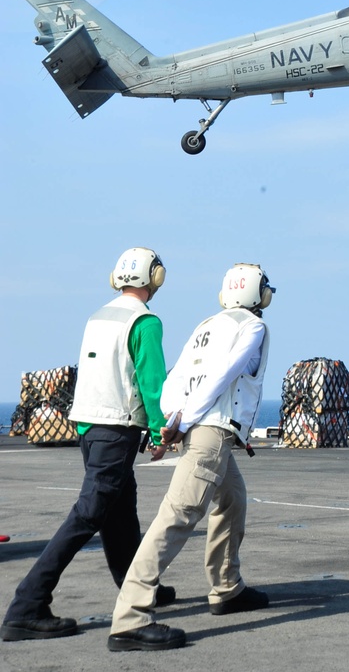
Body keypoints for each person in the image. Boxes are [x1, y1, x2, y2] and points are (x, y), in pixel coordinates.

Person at [2, 247, 173, 643]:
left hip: (88, 426)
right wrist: (163, 430)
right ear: (155, 278)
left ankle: (138, 587)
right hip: (117, 428)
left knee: (119, 511)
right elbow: (152, 383)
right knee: (89, 514)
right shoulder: (145, 322)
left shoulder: (98, 316)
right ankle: (27, 604)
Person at [107, 262, 275, 654]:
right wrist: (185, 421)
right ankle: (130, 617)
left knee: (233, 500)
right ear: (257, 294)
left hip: (200, 430)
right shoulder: (252, 327)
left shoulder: (206, 325)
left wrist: (174, 418)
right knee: (177, 517)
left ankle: (227, 588)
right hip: (211, 433)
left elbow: (175, 379)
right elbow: (223, 374)